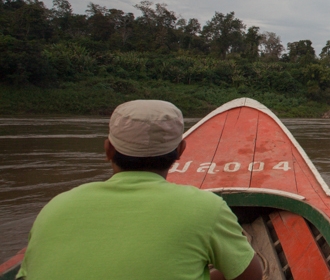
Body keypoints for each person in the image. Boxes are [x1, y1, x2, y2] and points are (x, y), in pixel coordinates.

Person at [16, 100, 263, 280]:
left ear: (108, 150)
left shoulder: (56, 206)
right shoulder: (206, 208)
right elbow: (251, 276)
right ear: (180, 151)